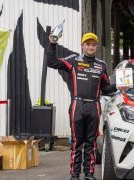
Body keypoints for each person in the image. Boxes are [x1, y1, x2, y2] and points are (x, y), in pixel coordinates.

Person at [47, 32, 117, 180]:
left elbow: (106, 89)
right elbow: (52, 62)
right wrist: (53, 43)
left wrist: (119, 86)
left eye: (93, 44)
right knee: (77, 142)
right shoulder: (73, 60)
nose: (90, 47)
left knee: (91, 142)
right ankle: (75, 174)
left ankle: (89, 174)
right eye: (88, 44)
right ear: (82, 45)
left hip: (94, 106)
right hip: (77, 105)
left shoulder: (101, 65)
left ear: (96, 46)